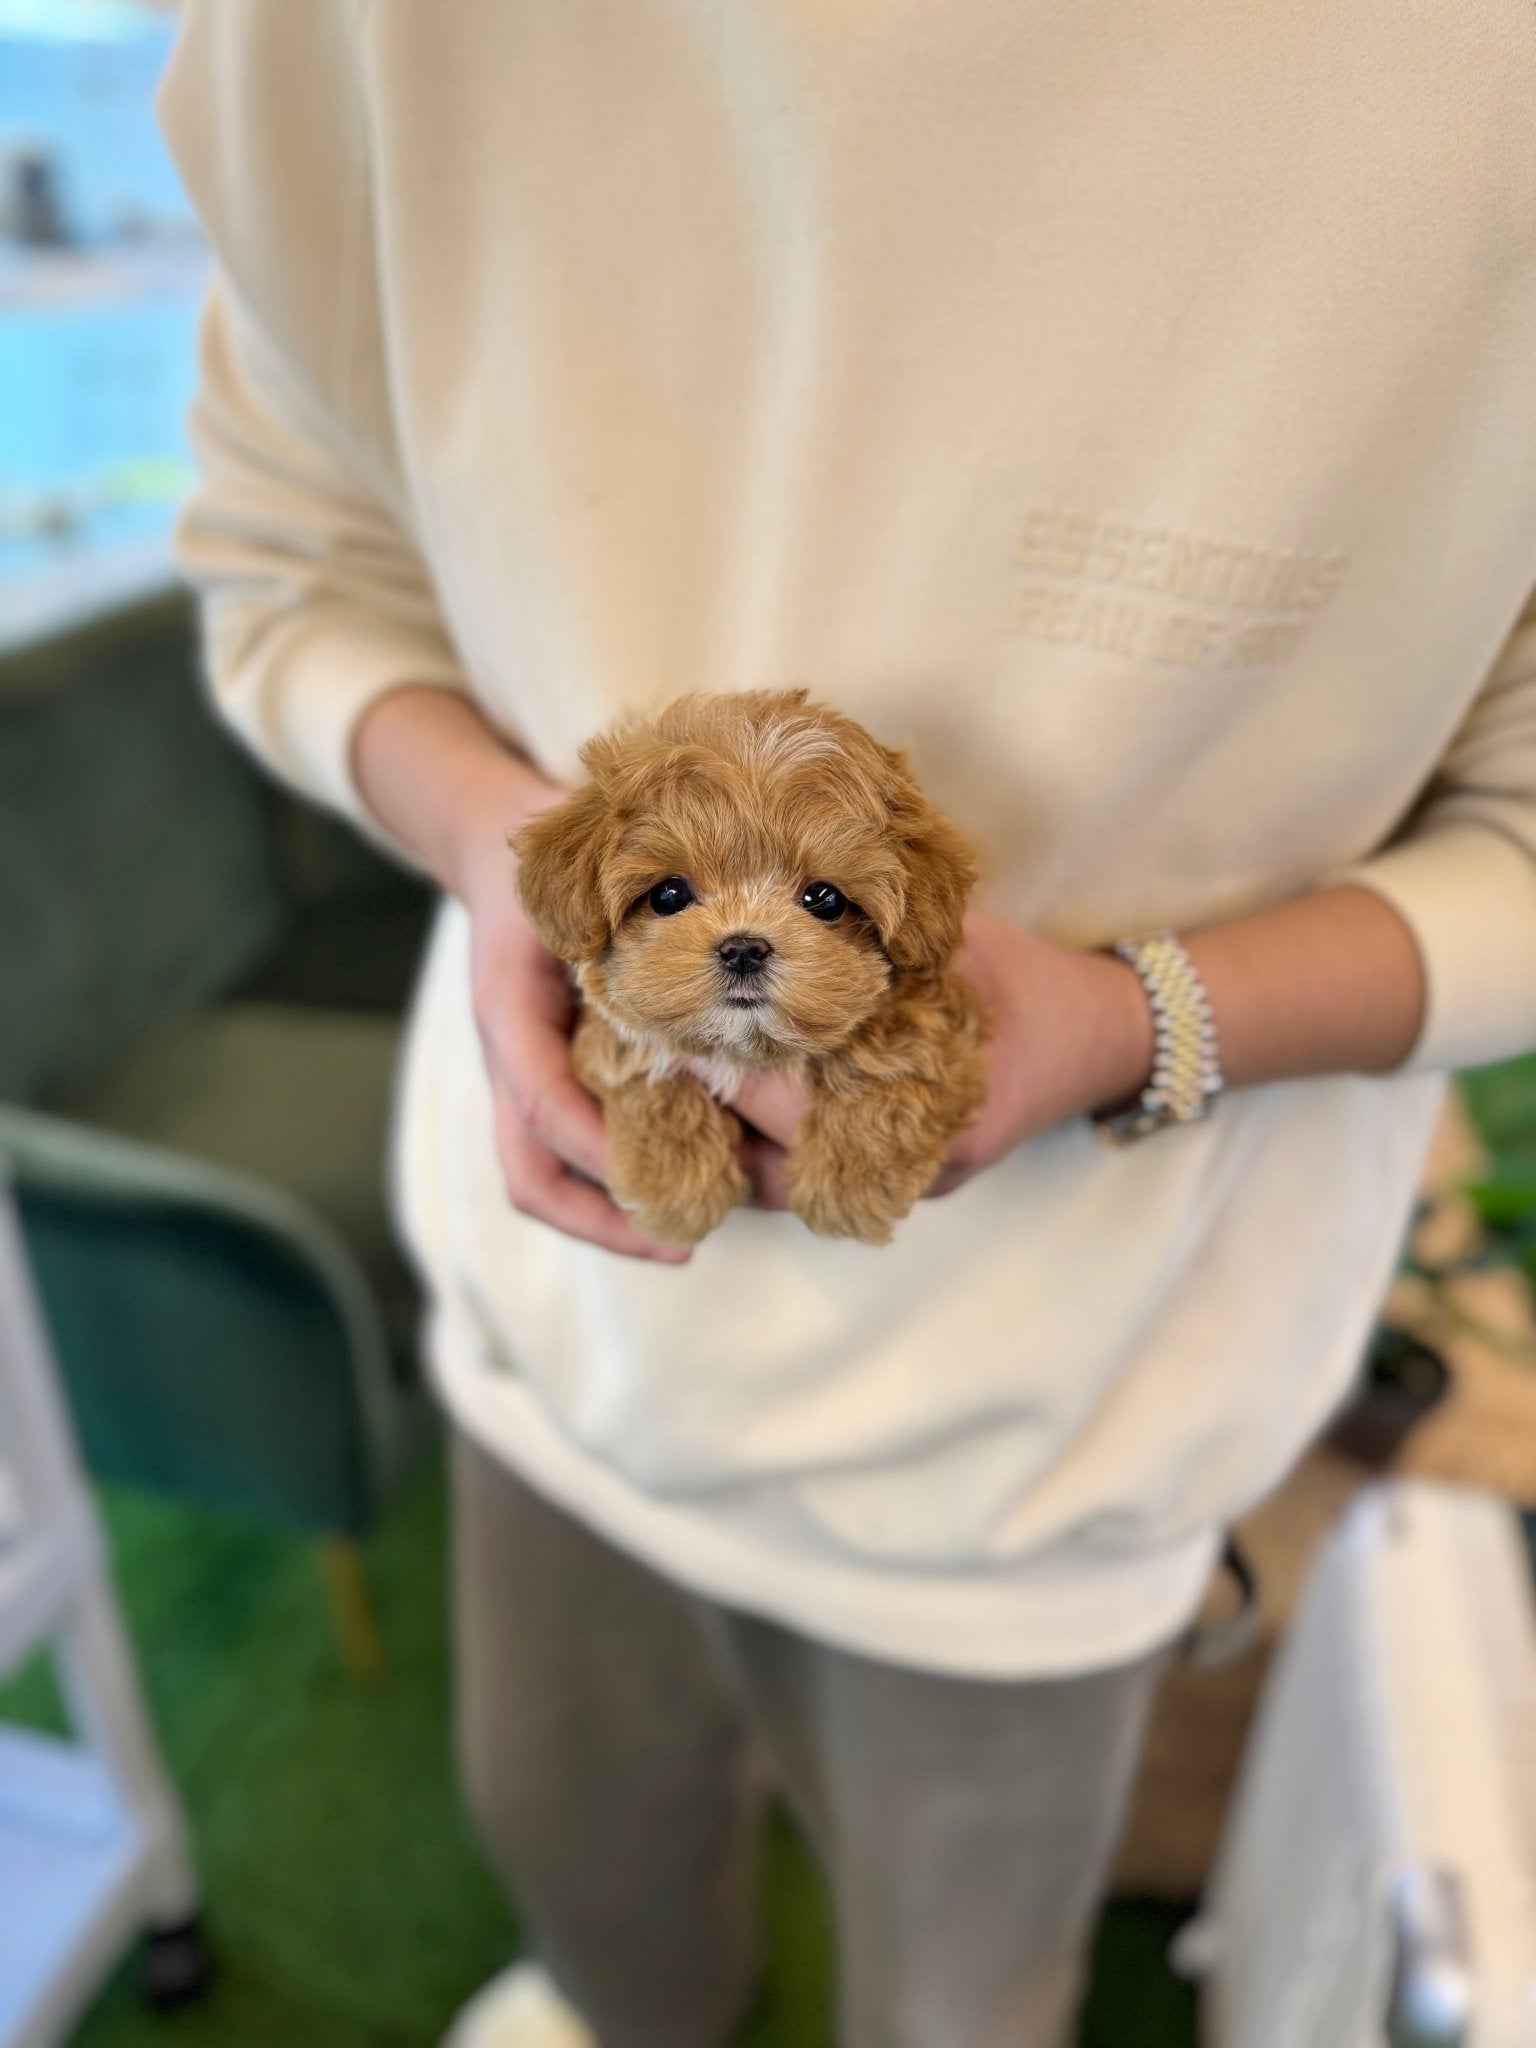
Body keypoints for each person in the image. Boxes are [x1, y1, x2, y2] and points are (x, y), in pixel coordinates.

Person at [158, 5, 1536, 2043]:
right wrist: (499, 846)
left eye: (814, 904)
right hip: (553, 1330)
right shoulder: (338, 41)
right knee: (579, 1861)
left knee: (965, 1989)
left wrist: (1129, 1024)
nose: (745, 942)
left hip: (1058, 1436)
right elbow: (295, 564)